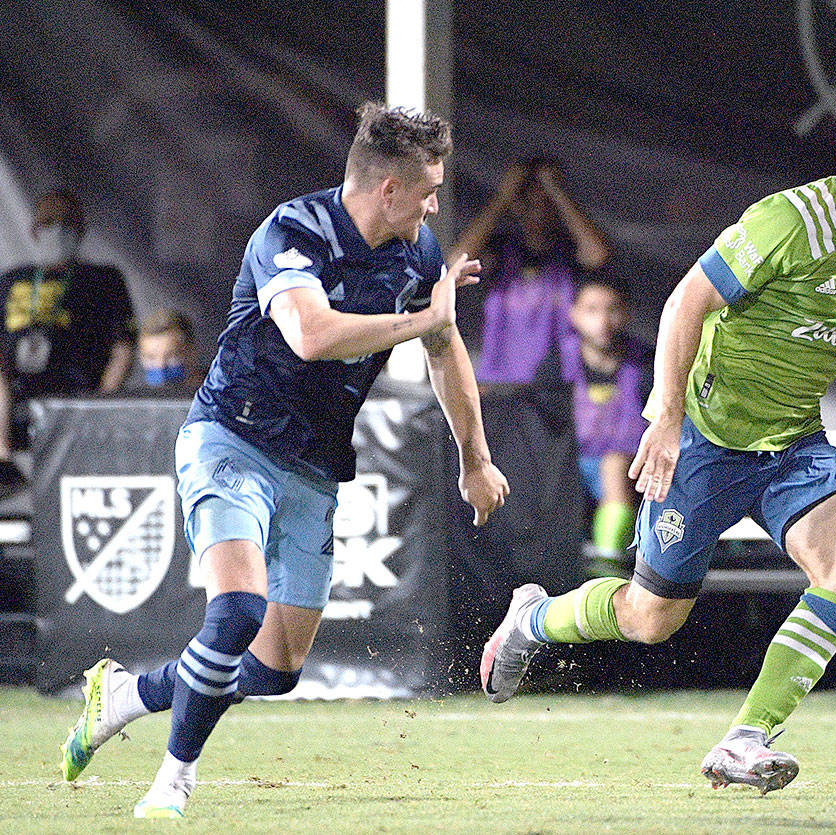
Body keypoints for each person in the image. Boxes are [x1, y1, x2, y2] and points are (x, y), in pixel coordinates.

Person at [481, 94, 836, 794]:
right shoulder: (786, 221)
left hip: (794, 445)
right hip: (707, 442)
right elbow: (687, 300)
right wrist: (669, 416)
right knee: (649, 620)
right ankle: (533, 617)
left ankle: (746, 737)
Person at [58, 102, 510, 818]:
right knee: (236, 611)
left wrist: (475, 458)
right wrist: (424, 318)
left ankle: (126, 695)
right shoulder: (293, 230)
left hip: (313, 466)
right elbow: (309, 332)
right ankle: (172, 780)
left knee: (273, 670)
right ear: (387, 188)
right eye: (428, 188)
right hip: (230, 439)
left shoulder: (418, 253)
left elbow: (444, 346)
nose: (435, 202)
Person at [0, 189, 136, 462]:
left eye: (65, 223)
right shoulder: (10, 280)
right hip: (15, 409)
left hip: (77, 404)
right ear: (34, 230)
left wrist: (97, 412)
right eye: (47, 222)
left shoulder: (102, 279)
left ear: (80, 230)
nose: (56, 230)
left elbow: (123, 350)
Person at [454, 157, 611, 385]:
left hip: (557, 384)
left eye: (547, 204)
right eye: (530, 204)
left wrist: (558, 192)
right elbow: (457, 260)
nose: (538, 214)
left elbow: (599, 256)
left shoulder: (569, 252)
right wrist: (504, 195)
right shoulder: (501, 249)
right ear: (517, 206)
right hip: (499, 383)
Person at [549, 276, 651, 576]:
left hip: (633, 473)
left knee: (614, 465)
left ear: (627, 314)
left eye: (612, 310)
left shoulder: (648, 364)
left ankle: (607, 568)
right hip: (568, 470)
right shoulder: (555, 366)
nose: (603, 321)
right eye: (592, 310)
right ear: (574, 314)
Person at [130, 308, 203, 396]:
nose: (160, 365)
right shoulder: (135, 401)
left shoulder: (214, 395)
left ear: (191, 354)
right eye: (151, 357)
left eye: (171, 356)